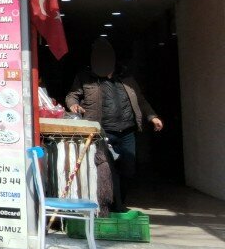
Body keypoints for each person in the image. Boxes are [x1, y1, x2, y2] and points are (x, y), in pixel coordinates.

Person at [66, 39, 162, 212]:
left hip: (126, 131)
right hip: (103, 132)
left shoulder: (126, 78)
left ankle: (120, 201)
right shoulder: (86, 77)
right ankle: (115, 206)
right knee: (108, 170)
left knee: (128, 170)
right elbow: (72, 95)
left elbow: (140, 100)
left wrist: (152, 116)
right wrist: (73, 105)